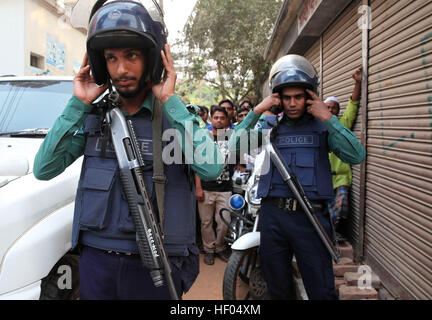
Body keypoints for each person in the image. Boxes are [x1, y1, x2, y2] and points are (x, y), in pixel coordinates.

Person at [33, 0, 222, 300]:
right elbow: (44, 169)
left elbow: (212, 167)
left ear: (151, 58)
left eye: (131, 55)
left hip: (157, 266)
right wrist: (78, 104)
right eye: (111, 58)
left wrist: (171, 101)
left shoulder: (175, 116)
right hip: (97, 264)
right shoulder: (94, 117)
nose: (121, 69)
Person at [229, 54, 366, 299]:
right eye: (287, 97)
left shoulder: (324, 126)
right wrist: (257, 111)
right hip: (274, 218)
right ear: (278, 99)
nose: (292, 103)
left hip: (310, 218)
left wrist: (328, 118)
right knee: (278, 289)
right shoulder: (268, 126)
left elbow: (356, 155)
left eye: (299, 97)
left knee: (321, 290)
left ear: (309, 96)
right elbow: (233, 149)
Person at [325, 67, 362, 240]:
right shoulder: (317, 127)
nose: (331, 110)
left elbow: (353, 105)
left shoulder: (342, 125)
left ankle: (331, 233)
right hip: (323, 178)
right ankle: (326, 234)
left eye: (334, 108)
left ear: (338, 111)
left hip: (341, 177)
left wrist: (357, 82)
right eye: (328, 107)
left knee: (340, 206)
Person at [195, 106, 233, 265]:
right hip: (206, 187)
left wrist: (242, 165)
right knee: (206, 222)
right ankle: (209, 249)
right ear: (211, 119)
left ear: (227, 120)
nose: (218, 120)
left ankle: (220, 247)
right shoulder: (204, 138)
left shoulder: (231, 137)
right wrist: (198, 187)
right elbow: (197, 163)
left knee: (225, 221)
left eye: (222, 118)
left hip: (225, 188)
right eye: (216, 117)